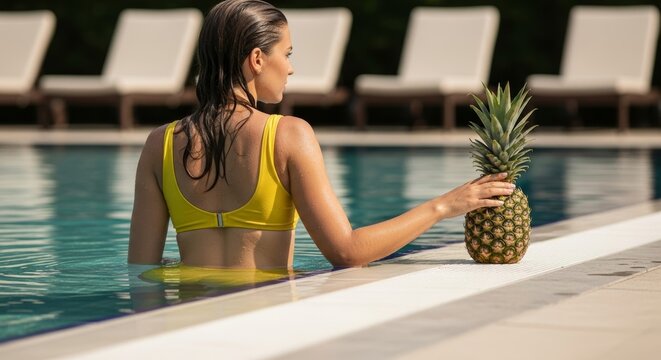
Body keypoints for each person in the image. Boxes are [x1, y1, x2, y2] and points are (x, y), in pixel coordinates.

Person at [128, 0, 515, 270]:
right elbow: (346, 252)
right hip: (262, 319)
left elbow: (140, 270)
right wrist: (444, 206)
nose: (291, 69)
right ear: (257, 59)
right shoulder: (288, 135)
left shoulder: (159, 145)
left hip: (187, 319)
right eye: (288, 54)